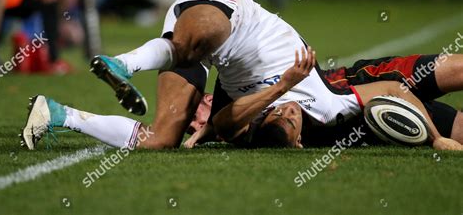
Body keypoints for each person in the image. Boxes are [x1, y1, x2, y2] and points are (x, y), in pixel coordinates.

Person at [20, 0, 461, 150]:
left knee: (161, 140)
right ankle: (125, 64)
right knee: (192, 45)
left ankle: (63, 112)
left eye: (280, 115)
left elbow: (228, 123)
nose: (286, 110)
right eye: (289, 118)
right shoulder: (328, 108)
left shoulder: (250, 120)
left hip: (222, 37)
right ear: (300, 142)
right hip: (229, 24)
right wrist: (438, 140)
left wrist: (275, 91)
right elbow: (393, 92)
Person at [188, 53, 463, 149]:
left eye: (195, 113)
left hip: (360, 81)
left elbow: (223, 119)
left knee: (458, 69)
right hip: (382, 116)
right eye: (193, 125)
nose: (196, 122)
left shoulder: (247, 102)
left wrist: (210, 125)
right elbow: (227, 126)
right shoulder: (252, 134)